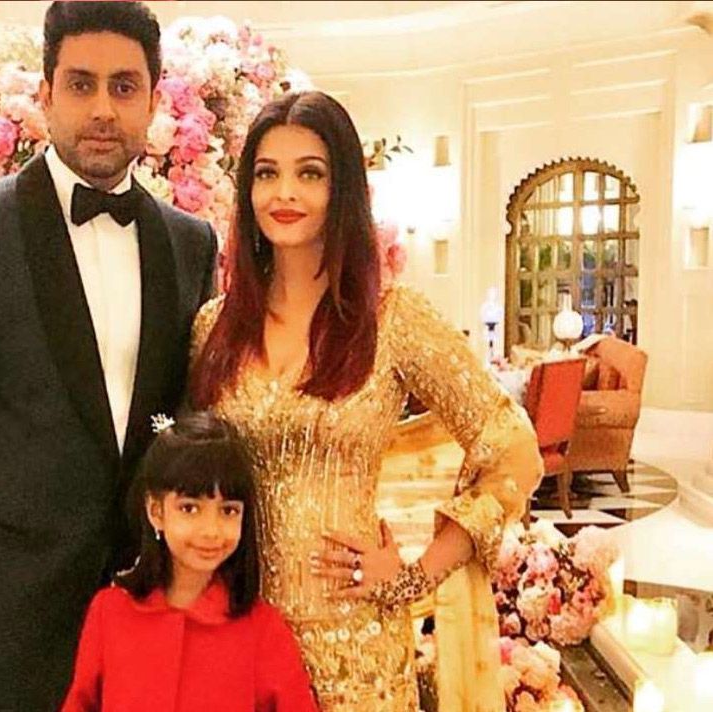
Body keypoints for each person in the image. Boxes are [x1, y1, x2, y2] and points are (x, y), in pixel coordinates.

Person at [0, 2, 217, 709]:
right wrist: (8, 529)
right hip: (12, 612)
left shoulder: (189, 243)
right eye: (81, 84)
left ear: (153, 103)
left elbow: (182, 415)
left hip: (146, 604)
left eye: (124, 87)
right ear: (46, 96)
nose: (103, 108)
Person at [189, 91, 543, 711]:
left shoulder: (391, 321)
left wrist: (415, 576)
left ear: (343, 190)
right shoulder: (215, 328)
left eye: (310, 174)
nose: (284, 193)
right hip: (236, 637)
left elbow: (513, 449)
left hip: (355, 650)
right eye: (267, 174)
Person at [62, 412, 320, 712]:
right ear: (156, 511)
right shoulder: (109, 613)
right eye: (189, 508)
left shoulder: (263, 629)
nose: (211, 531)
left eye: (228, 511)